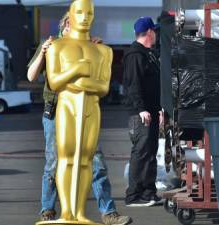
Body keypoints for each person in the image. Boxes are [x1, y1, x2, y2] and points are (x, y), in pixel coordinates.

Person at [27, 11, 131, 225]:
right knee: (54, 161)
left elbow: (101, 81)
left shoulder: (91, 47)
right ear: (64, 25)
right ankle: (48, 209)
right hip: (56, 111)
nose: (73, 29)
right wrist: (42, 53)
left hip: (84, 111)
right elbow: (31, 75)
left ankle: (108, 212)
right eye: (69, 25)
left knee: (95, 161)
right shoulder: (53, 45)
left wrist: (98, 52)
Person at [122, 17, 164, 207]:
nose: (156, 34)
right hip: (141, 114)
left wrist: (159, 109)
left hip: (151, 111)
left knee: (149, 153)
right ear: (149, 32)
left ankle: (148, 193)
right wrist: (141, 109)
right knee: (140, 153)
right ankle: (134, 196)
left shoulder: (148, 54)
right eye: (154, 31)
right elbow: (133, 84)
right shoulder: (135, 56)